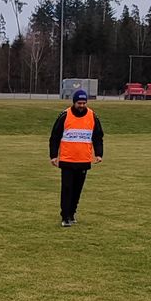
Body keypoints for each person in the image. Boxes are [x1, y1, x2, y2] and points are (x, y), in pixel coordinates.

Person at [49, 88, 104, 226]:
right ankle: (65, 216)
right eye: (79, 103)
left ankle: (72, 213)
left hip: (83, 159)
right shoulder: (65, 115)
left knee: (77, 190)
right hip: (67, 159)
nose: (82, 105)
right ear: (74, 102)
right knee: (67, 188)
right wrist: (53, 155)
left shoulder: (92, 116)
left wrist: (99, 153)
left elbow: (98, 137)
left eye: (84, 103)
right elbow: (55, 136)